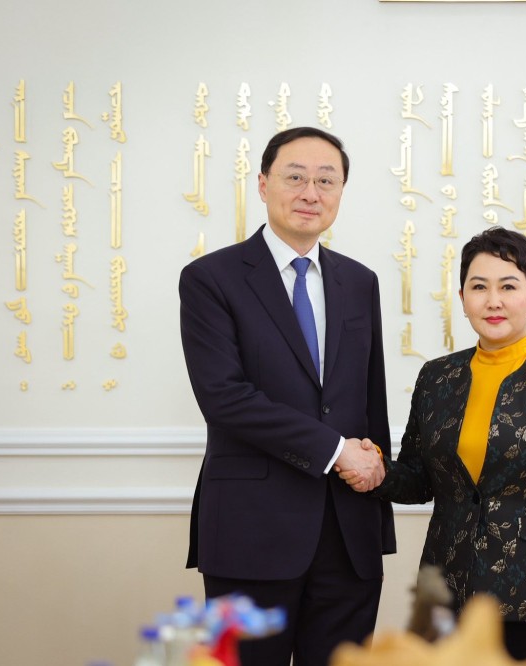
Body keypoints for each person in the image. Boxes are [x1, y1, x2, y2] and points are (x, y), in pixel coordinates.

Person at [342, 226, 526, 661]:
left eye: (508, 286)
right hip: (447, 594)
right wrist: (375, 466)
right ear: (462, 297)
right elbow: (418, 481)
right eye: (479, 287)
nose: (493, 301)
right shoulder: (437, 377)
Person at [179, 126, 394, 666]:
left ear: (340, 191)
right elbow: (225, 398)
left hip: (348, 531)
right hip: (250, 532)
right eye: (295, 178)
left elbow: (370, 401)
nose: (310, 193)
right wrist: (337, 451)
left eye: (326, 181)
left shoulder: (359, 282)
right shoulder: (211, 278)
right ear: (263, 184)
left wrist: (376, 479)